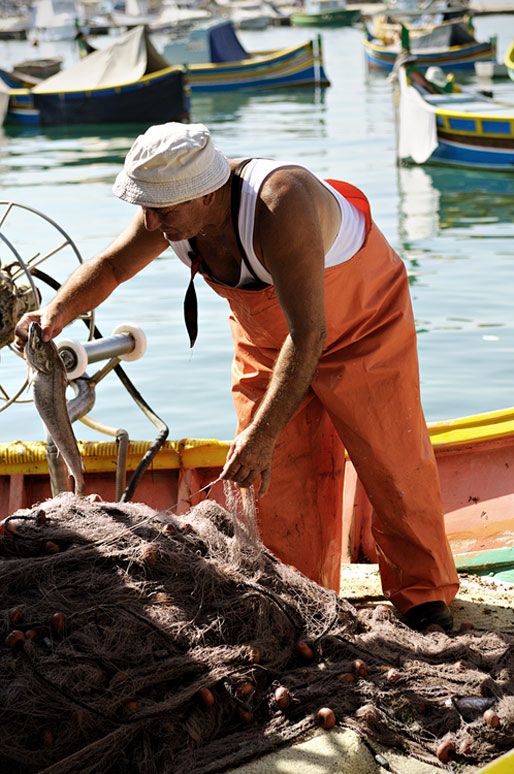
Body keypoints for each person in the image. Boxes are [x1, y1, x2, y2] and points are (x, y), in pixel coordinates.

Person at [15, 122, 460, 631]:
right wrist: (54, 314)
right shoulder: (167, 212)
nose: (152, 221)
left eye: (162, 208)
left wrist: (263, 432)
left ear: (206, 194)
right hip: (268, 341)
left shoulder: (280, 204)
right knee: (271, 482)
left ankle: (423, 597)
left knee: (391, 459)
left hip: (363, 323)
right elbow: (113, 267)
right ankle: (303, 597)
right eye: (146, 205)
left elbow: (310, 334)